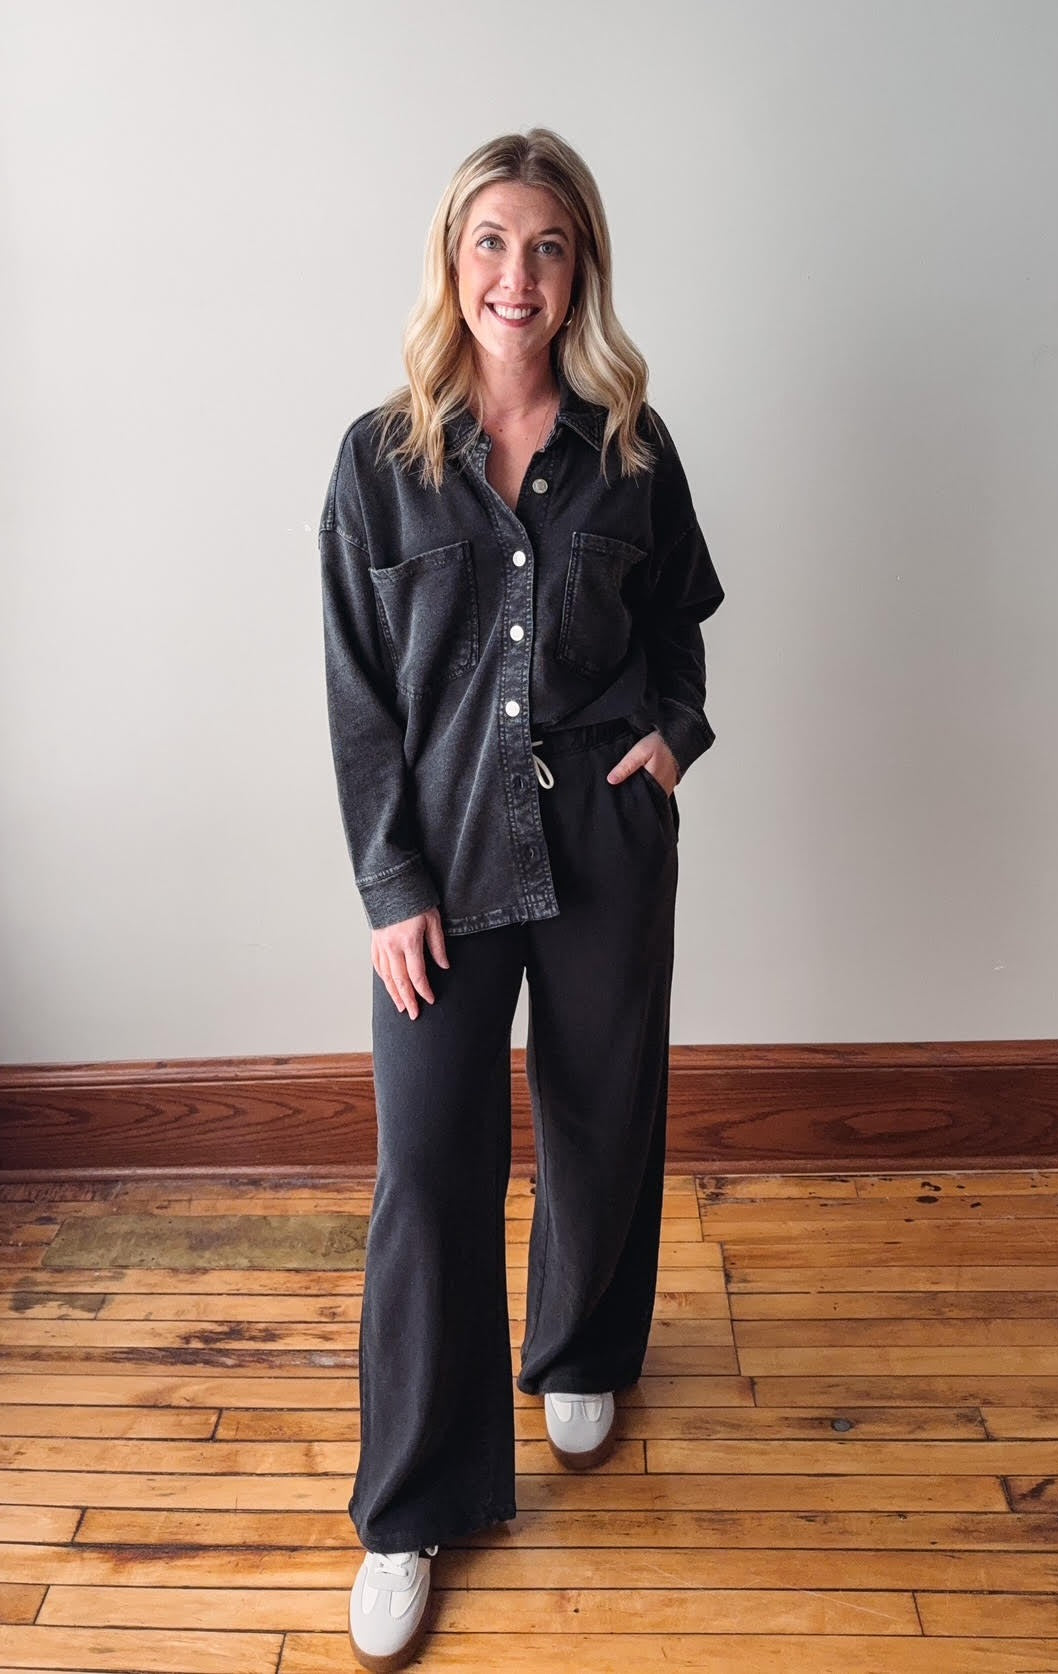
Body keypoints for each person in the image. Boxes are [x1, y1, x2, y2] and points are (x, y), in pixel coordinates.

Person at [318, 126, 724, 1672]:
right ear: (452, 259)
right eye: (493, 241)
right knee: (428, 1164)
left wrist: (668, 745)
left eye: (548, 246)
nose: (518, 275)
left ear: (581, 270)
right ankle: (412, 1501)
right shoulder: (379, 459)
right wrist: (389, 881)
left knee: (602, 1108)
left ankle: (581, 1348)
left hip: (604, 842)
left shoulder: (633, 445)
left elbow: (682, 628)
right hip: (438, 867)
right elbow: (359, 701)